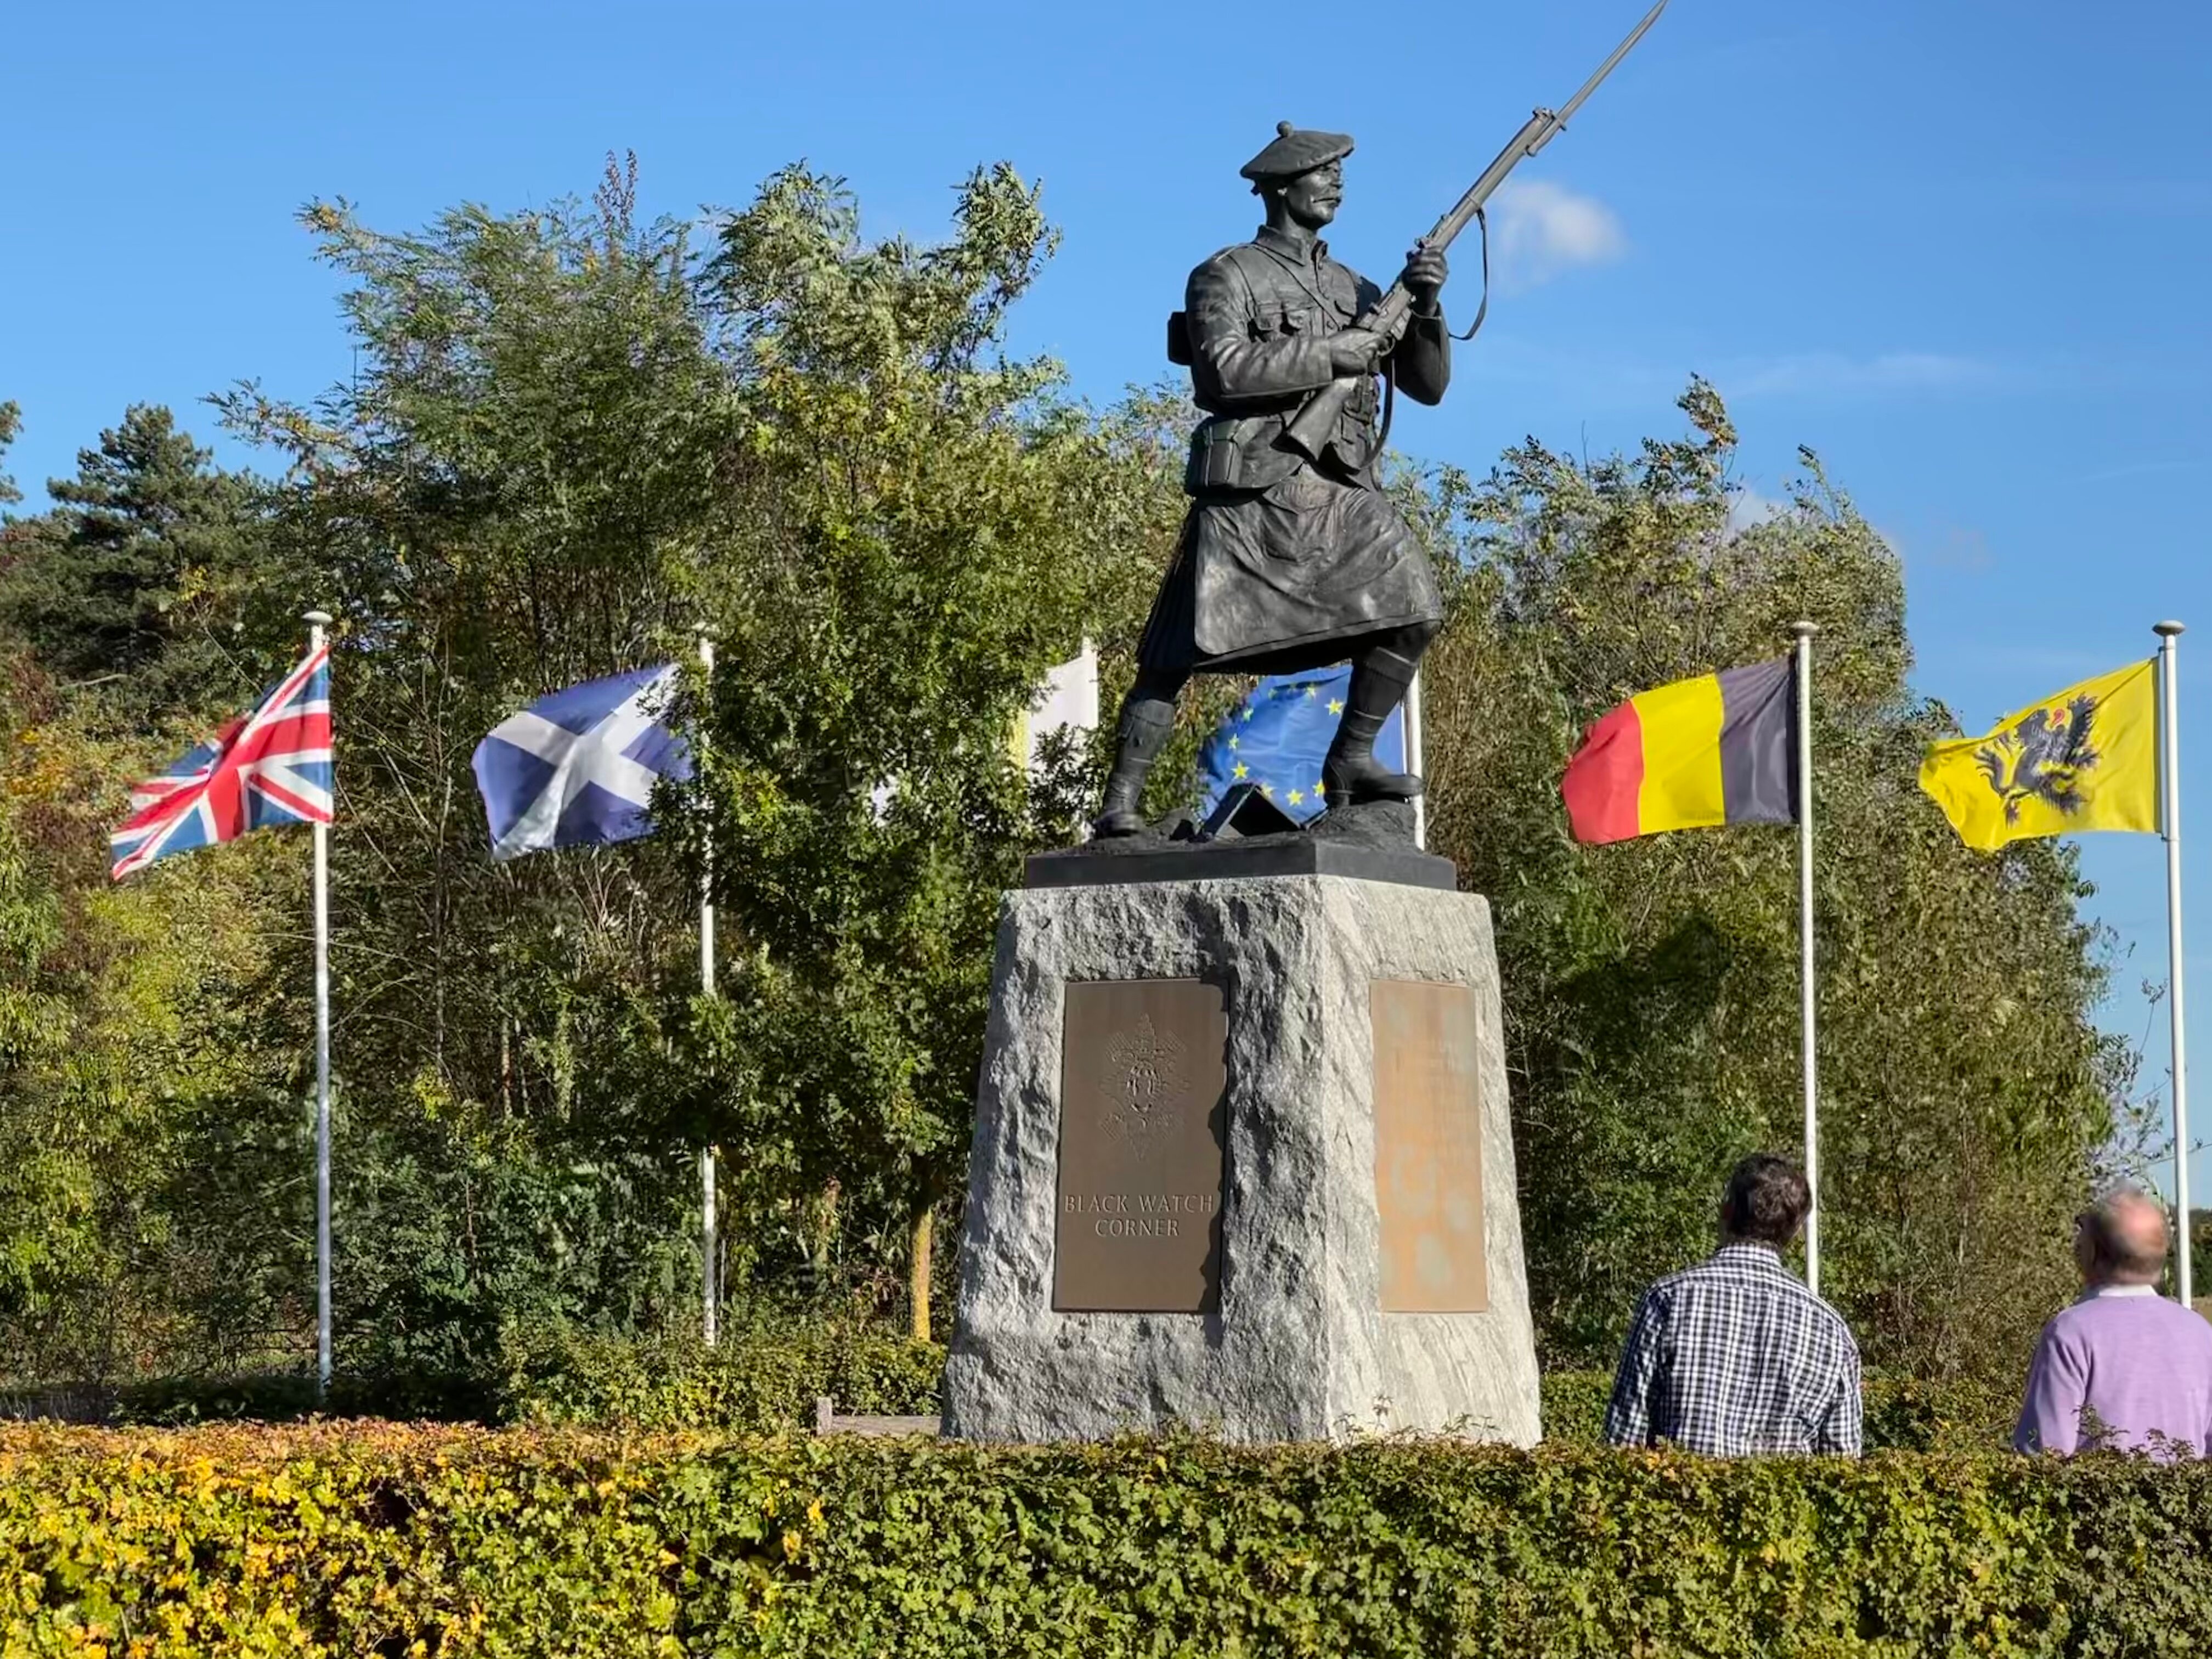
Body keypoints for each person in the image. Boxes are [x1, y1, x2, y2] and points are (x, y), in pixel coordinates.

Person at [1092, 122, 1454, 836]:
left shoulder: (1360, 287)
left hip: (1337, 486)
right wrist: (1335, 352)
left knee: (1415, 607)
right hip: (1256, 484)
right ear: (1282, 186)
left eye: (1341, 175)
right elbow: (1222, 370)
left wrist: (1426, 305)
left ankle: (1350, 759)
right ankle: (1119, 806)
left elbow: (1428, 386)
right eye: (1323, 173)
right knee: (1175, 655)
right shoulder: (1226, 274)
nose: (1336, 185)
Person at [1604, 1153, 1861, 1456]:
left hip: (1676, 1499)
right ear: (1796, 1231)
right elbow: (1841, 1466)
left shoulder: (1668, 1299)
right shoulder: (1832, 1331)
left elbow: (1624, 1440)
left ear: (1727, 1211)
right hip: (1780, 1502)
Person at [2013, 1187, 2212, 1457]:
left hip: (2095, 1498)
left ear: (2092, 1251)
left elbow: (2043, 1454)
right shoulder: (2200, 1332)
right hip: (2186, 1497)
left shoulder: (2071, 1332)